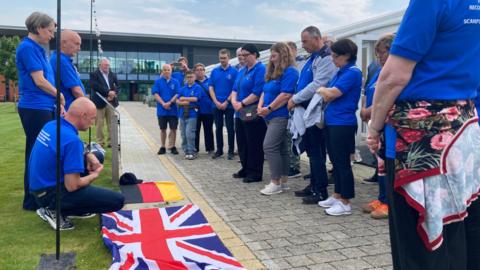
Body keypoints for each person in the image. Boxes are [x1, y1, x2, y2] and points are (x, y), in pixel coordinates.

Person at [367, 0, 480, 269]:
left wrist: (374, 128)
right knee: (464, 231)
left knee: (418, 242)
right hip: (465, 135)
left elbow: (393, 76)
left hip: (419, 141)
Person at [30, 98, 125, 230]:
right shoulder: (71, 140)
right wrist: (95, 175)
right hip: (50, 194)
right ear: (83, 116)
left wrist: (88, 154)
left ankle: (70, 206)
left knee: (97, 156)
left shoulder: (52, 124)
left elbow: (68, 147)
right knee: (117, 200)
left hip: (38, 188)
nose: (93, 123)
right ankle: (55, 210)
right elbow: (72, 185)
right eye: (92, 118)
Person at [16, 12, 63, 211]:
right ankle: (32, 199)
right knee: (36, 152)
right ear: (39, 28)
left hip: (44, 106)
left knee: (43, 151)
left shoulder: (39, 49)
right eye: (50, 31)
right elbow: (40, 81)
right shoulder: (27, 47)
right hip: (35, 107)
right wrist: (58, 95)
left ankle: (40, 195)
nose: (52, 35)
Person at [287, 26, 337, 204]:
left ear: (317, 39)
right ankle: (314, 184)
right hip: (306, 111)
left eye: (305, 41)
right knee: (312, 152)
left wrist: (295, 98)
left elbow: (318, 84)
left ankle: (320, 190)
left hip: (316, 112)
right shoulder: (313, 57)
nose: (303, 45)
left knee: (317, 152)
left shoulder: (326, 57)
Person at [316, 39, 362, 216]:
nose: (333, 59)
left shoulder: (352, 72)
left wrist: (321, 90)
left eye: (335, 56)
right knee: (335, 161)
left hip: (342, 123)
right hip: (333, 121)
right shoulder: (341, 71)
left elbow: (331, 93)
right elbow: (328, 94)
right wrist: (325, 91)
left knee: (343, 163)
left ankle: (345, 201)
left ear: (347, 55)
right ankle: (337, 195)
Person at [360, 33, 395, 220]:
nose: (380, 57)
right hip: (377, 122)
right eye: (378, 53)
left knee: (388, 165)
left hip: (389, 124)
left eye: (383, 52)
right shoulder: (378, 71)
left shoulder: (395, 72)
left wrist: (370, 111)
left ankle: (390, 203)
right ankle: (381, 198)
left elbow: (390, 97)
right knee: (380, 165)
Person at [258, 42, 299, 195]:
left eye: (274, 56)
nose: (271, 59)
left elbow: (286, 94)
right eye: (271, 56)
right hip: (268, 115)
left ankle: (275, 182)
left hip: (280, 115)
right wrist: (261, 106)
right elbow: (264, 91)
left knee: (269, 146)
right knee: (281, 149)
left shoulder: (290, 71)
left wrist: (268, 108)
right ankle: (282, 182)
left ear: (283, 54)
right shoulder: (273, 72)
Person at [231, 44, 267, 183]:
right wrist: (234, 101)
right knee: (242, 141)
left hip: (251, 111)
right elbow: (235, 89)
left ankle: (255, 172)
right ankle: (245, 168)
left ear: (254, 54)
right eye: (241, 55)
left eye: (246, 55)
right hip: (239, 111)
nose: (243, 58)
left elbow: (257, 92)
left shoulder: (260, 69)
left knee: (254, 143)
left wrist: (242, 103)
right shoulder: (242, 70)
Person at [209, 49, 238, 160]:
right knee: (218, 128)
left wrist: (227, 101)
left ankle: (230, 151)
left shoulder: (234, 72)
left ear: (229, 58)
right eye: (221, 58)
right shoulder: (214, 71)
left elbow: (235, 89)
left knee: (230, 128)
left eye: (224, 58)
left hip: (229, 105)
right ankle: (219, 150)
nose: (222, 60)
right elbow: (211, 87)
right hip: (216, 105)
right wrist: (216, 101)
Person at [50, 29, 84, 111]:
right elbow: (76, 91)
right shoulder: (61, 61)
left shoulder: (60, 59)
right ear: (64, 43)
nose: (79, 48)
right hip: (68, 110)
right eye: (77, 44)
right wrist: (86, 107)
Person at [90, 58, 119, 148]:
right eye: (105, 65)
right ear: (100, 65)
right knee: (99, 123)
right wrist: (108, 92)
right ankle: (100, 142)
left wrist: (114, 93)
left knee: (111, 123)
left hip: (111, 102)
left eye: (108, 65)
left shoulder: (112, 74)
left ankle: (111, 142)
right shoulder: (94, 74)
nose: (107, 67)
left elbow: (118, 85)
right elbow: (95, 86)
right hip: (99, 102)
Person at [151, 64, 180, 155]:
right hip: (162, 110)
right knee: (163, 129)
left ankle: (172, 146)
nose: (167, 71)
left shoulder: (176, 82)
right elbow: (155, 94)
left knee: (173, 129)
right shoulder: (158, 82)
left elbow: (178, 93)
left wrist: (170, 102)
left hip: (173, 109)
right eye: (165, 70)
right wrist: (163, 103)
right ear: (162, 71)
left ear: (171, 71)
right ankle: (163, 146)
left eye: (168, 70)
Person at [285, 41, 303, 179]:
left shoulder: (300, 65)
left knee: (294, 136)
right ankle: (291, 164)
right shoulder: (287, 67)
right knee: (289, 136)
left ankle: (295, 166)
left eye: (289, 51)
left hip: (298, 105)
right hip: (289, 106)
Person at [176, 70, 201, 160]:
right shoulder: (182, 88)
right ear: (186, 78)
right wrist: (185, 102)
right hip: (182, 114)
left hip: (192, 114)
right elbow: (177, 101)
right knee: (183, 134)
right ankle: (186, 151)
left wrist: (184, 98)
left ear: (194, 77)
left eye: (191, 77)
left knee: (189, 133)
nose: (189, 79)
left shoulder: (197, 87)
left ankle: (192, 151)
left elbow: (195, 99)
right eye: (188, 77)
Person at [193, 63, 214, 154]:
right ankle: (195, 149)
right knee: (196, 130)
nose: (200, 71)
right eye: (198, 70)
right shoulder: (192, 82)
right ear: (195, 71)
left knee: (208, 130)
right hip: (196, 111)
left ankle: (210, 149)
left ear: (204, 71)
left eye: (201, 69)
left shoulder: (210, 81)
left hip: (209, 110)